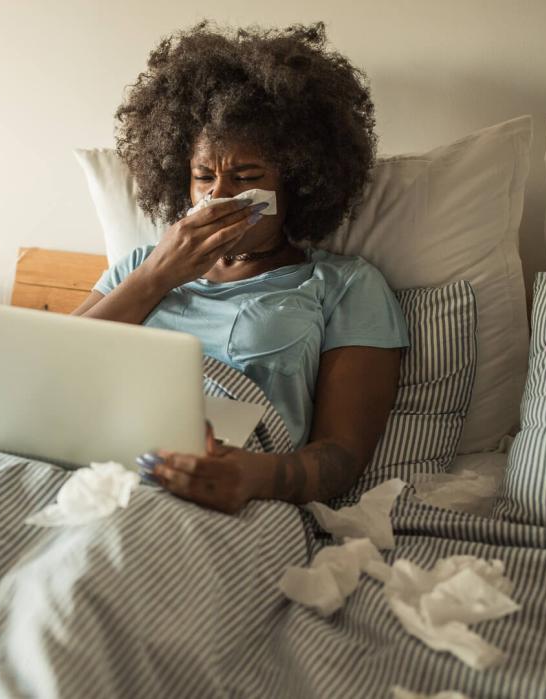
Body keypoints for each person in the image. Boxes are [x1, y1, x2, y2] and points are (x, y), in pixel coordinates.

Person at [72, 22, 409, 514]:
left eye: (247, 178)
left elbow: (342, 456)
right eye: (203, 177)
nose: (219, 197)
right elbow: (55, 373)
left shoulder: (344, 286)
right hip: (95, 461)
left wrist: (255, 476)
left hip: (232, 493)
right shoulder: (142, 267)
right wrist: (158, 276)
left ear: (298, 184)